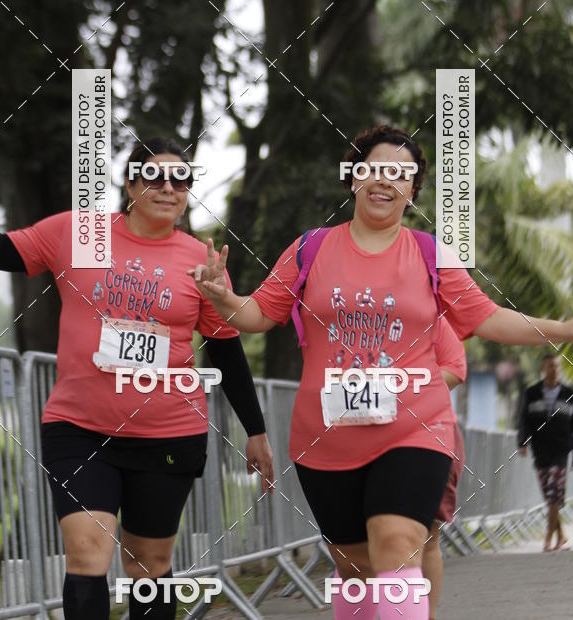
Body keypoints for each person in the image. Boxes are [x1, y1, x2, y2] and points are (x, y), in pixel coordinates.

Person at [188, 124, 573, 620]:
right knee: (354, 571)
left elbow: (488, 317)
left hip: (415, 427)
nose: (385, 180)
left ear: (412, 191)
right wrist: (222, 296)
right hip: (326, 439)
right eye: (374, 168)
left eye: (401, 173)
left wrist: (563, 329)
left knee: (398, 541)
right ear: (353, 177)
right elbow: (256, 316)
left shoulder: (430, 254)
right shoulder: (310, 249)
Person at [0, 137, 274, 620]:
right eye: (154, 176)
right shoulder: (79, 233)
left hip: (169, 432)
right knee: (88, 555)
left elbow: (224, 346)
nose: (168, 188)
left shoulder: (201, 258)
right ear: (130, 183)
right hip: (79, 427)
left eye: (181, 179)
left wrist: (255, 431)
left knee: (150, 565)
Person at [422, 321, 467, 620]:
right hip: (361, 437)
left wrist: (396, 384)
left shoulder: (432, 318)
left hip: (431, 434)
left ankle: (427, 615)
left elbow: (456, 367)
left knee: (427, 537)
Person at [518, 353, 573, 551]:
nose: (554, 370)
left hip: (561, 449)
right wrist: (522, 443)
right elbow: (523, 419)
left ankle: (548, 540)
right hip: (540, 450)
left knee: (553, 493)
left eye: (557, 366)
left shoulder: (569, 393)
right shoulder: (531, 393)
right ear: (543, 369)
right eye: (550, 366)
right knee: (549, 495)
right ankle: (561, 535)